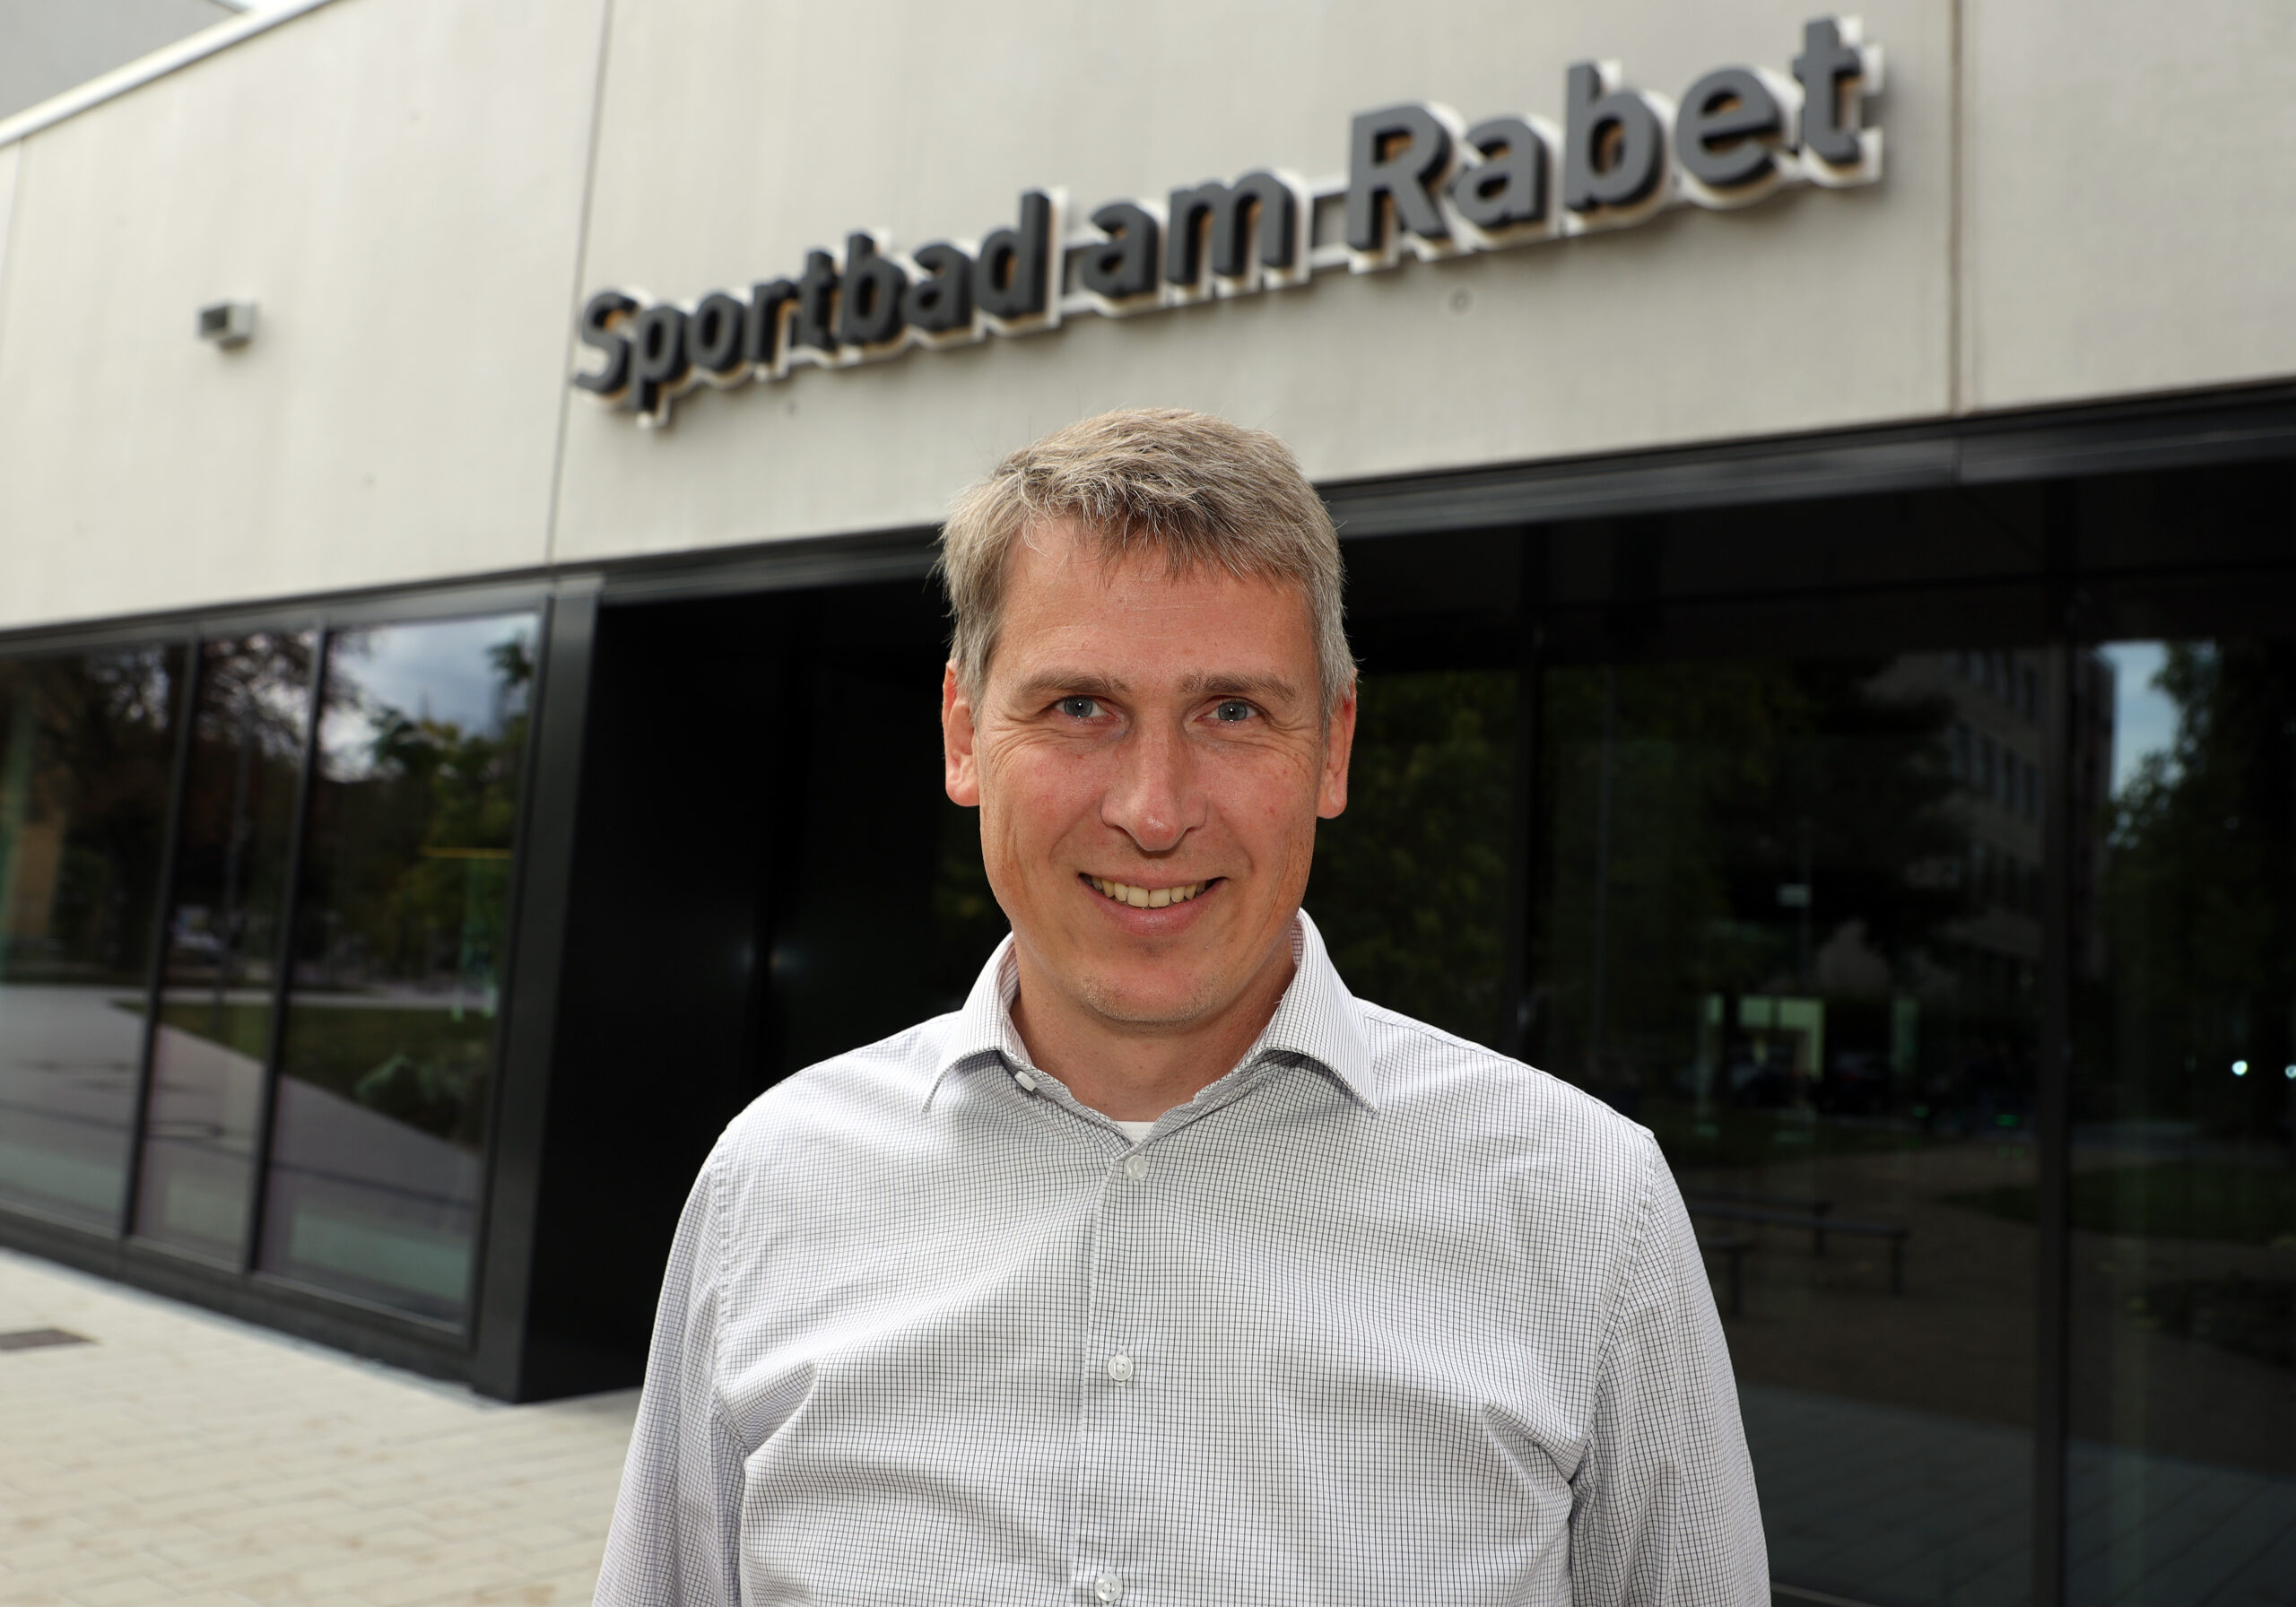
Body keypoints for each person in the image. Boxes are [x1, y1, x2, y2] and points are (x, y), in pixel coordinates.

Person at [595, 408, 1767, 1605]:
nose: (1154, 811)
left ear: (1332, 749)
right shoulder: (769, 1184)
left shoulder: (1589, 1209)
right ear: (963, 732)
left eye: (1233, 712)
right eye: (1079, 707)